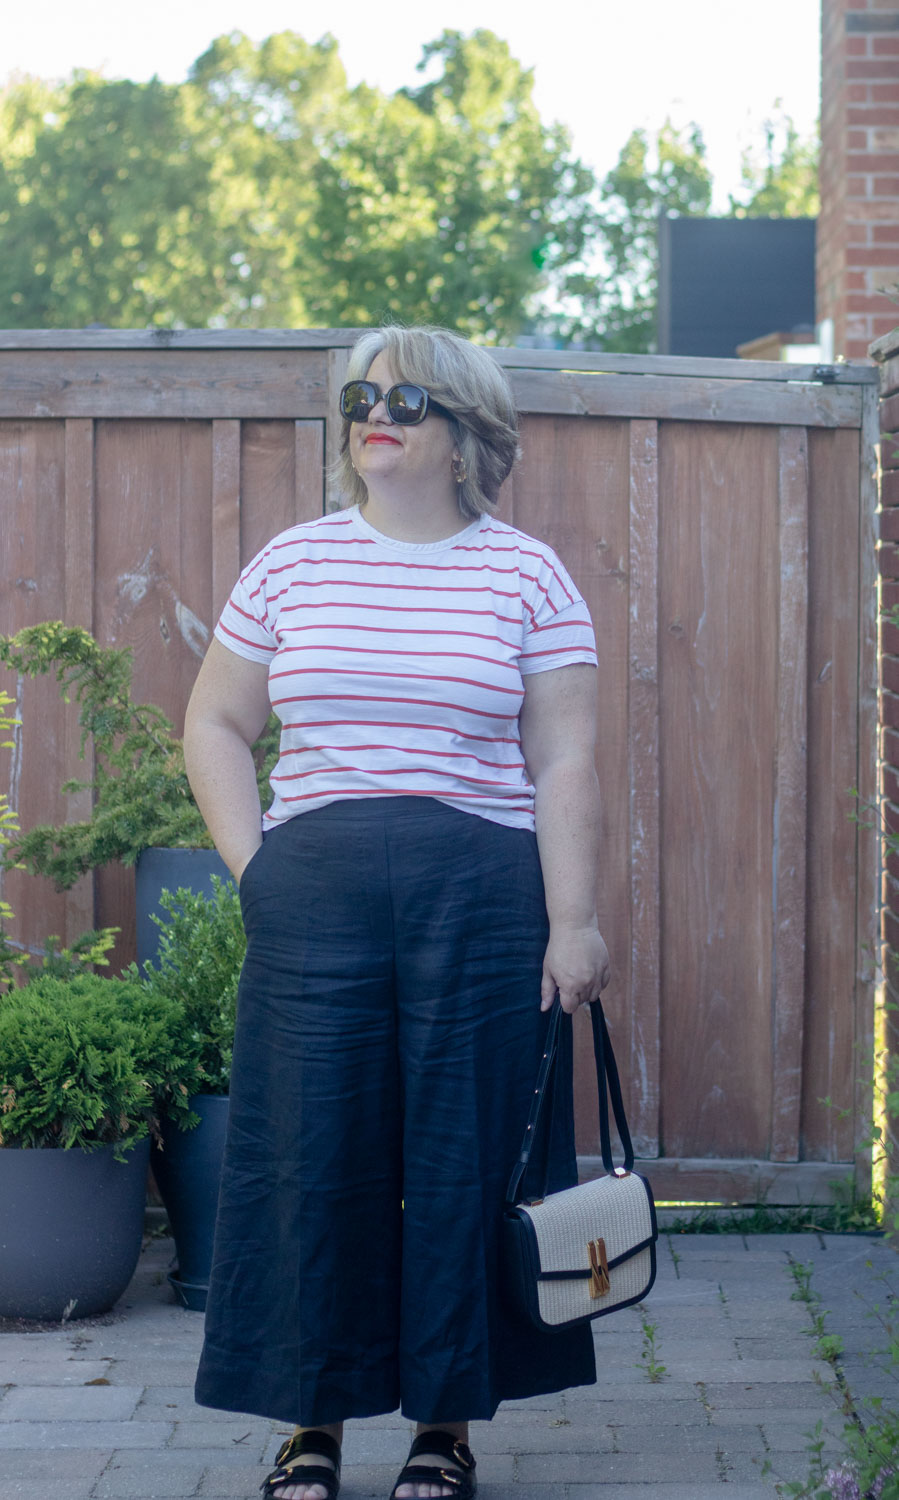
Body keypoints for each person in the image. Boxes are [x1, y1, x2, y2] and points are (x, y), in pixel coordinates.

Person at [183, 325, 610, 1500]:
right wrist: (254, 867)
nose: (378, 412)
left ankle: (446, 1428)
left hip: (479, 901)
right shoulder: (291, 564)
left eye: (407, 397)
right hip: (311, 896)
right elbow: (214, 725)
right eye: (361, 396)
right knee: (307, 1152)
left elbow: (563, 759)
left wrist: (571, 922)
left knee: (466, 1161)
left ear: (466, 431)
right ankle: (307, 1424)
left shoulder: (525, 575)